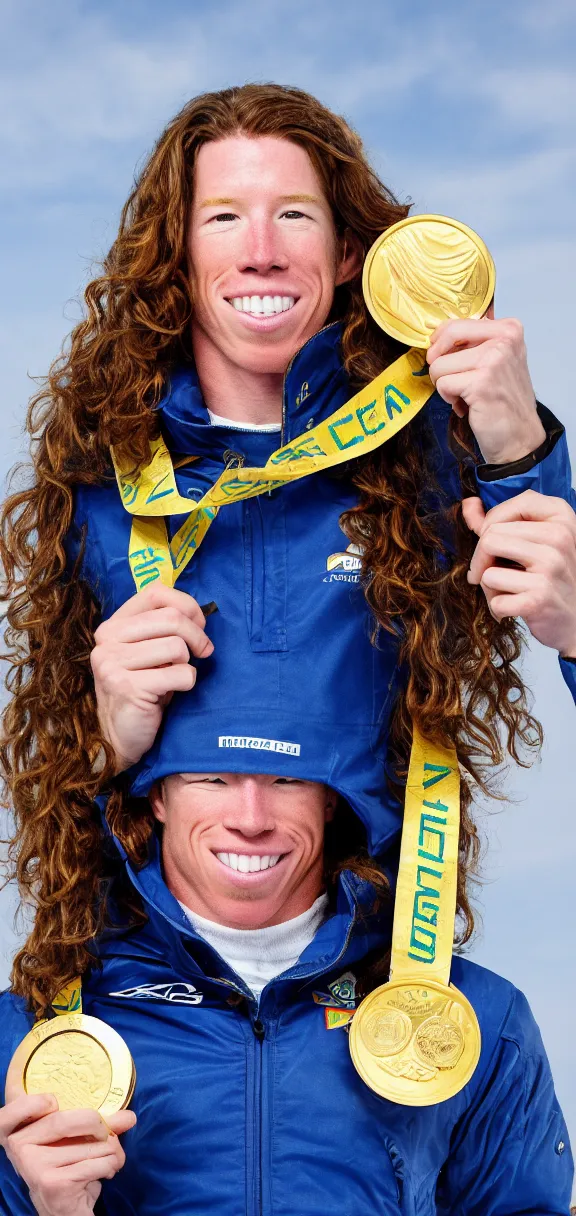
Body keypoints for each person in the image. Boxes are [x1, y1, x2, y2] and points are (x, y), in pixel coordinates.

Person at [1, 83, 574, 1023]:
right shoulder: (100, 485)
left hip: (366, 997)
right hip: (155, 1006)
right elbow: (52, 801)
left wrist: (520, 449)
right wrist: (103, 739)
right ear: (177, 255)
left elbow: (555, 611)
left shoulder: (443, 459)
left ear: (349, 252)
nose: (261, 248)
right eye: (224, 216)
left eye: (294, 215)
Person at [0, 494, 575, 1215]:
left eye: (286, 779)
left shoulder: (480, 1022)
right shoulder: (30, 1039)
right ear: (155, 796)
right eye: (211, 777)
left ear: (334, 798)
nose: (250, 818)